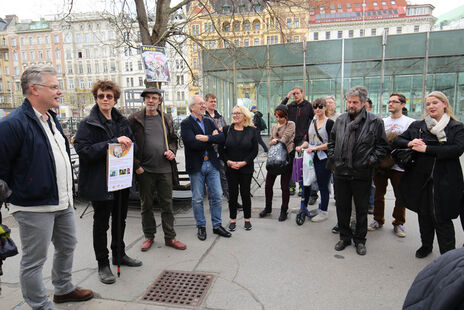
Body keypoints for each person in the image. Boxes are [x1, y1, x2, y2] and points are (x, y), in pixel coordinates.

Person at [0, 66, 93, 308]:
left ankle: (63, 289)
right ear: (34, 89)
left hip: (62, 201)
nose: (59, 91)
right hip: (33, 206)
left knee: (68, 245)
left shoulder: (52, 118)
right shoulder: (12, 124)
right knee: (34, 260)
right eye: (53, 87)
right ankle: (40, 304)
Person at [74, 80, 142, 285]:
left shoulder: (122, 121)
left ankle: (119, 255)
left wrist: (131, 145)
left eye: (109, 96)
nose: (105, 99)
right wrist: (111, 144)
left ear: (115, 99)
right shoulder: (87, 124)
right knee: (101, 223)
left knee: (120, 220)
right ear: (96, 98)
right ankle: (102, 263)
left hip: (120, 178)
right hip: (100, 182)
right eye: (101, 96)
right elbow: (83, 151)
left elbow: (134, 147)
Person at [393, 91, 464, 258]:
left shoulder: (456, 126)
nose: (431, 106)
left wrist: (427, 149)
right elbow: (398, 140)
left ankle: (448, 256)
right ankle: (426, 246)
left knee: (442, 216)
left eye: (435, 103)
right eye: (428, 104)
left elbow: (457, 149)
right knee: (423, 214)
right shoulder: (419, 126)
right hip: (421, 178)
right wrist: (410, 142)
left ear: (444, 104)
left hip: (445, 179)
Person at [328, 86, 388, 256]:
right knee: (342, 207)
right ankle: (344, 237)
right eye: (349, 101)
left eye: (355, 102)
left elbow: (382, 147)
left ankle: (360, 240)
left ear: (363, 103)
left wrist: (370, 161)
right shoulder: (340, 120)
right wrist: (334, 157)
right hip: (340, 172)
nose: (351, 105)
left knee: (361, 209)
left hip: (362, 173)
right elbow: (332, 142)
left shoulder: (375, 122)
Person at [128, 87, 186, 252]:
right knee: (146, 205)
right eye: (148, 98)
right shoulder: (135, 118)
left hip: (165, 169)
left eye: (154, 98)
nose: (151, 101)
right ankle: (149, 236)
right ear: (144, 100)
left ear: (159, 101)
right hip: (145, 170)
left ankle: (170, 237)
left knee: (167, 205)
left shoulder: (166, 118)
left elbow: (174, 140)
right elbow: (127, 145)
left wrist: (172, 151)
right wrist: (136, 166)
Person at [181, 95, 231, 240]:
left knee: (217, 196)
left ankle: (217, 225)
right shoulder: (186, 124)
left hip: (212, 164)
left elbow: (222, 138)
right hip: (197, 166)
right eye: (200, 104)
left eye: (204, 103)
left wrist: (206, 138)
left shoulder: (209, 121)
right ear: (192, 107)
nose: (203, 106)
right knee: (197, 199)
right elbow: (191, 143)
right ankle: (201, 226)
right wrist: (212, 139)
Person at [369, 93, 415, 238]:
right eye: (389, 102)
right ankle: (377, 220)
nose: (390, 104)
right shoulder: (382, 121)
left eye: (394, 102)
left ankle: (399, 223)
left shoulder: (410, 122)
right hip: (382, 164)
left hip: (399, 165)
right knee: (378, 194)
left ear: (403, 104)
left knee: (400, 195)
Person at [296, 98, 334, 222]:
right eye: (315, 106)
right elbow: (308, 140)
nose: (317, 109)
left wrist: (316, 148)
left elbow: (332, 143)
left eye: (320, 106)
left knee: (323, 185)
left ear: (325, 108)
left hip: (323, 158)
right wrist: (302, 146)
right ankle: (308, 207)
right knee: (308, 183)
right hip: (311, 157)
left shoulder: (329, 123)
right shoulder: (312, 122)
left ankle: (324, 211)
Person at [220, 106, 258, 231]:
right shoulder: (226, 130)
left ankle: (247, 219)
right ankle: (233, 220)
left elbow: (254, 151)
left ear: (244, 115)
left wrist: (244, 162)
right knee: (233, 194)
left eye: (238, 113)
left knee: (245, 194)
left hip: (246, 168)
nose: (235, 115)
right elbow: (221, 150)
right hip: (231, 168)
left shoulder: (251, 131)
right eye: (234, 113)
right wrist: (228, 162)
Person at [259, 104, 296, 221]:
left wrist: (276, 141)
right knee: (268, 184)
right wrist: (273, 141)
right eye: (276, 116)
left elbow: (285, 138)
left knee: (284, 186)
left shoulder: (291, 124)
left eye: (280, 116)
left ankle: (284, 210)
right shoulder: (274, 126)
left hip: (286, 157)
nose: (278, 119)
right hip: (274, 158)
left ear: (286, 116)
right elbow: (270, 141)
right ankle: (268, 207)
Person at [281, 86, 315, 199]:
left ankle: (302, 186)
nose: (296, 95)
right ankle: (291, 186)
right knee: (289, 162)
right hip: (290, 139)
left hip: (302, 138)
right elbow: (280, 109)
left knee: (301, 163)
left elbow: (313, 120)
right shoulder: (290, 106)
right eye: (294, 94)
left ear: (302, 93)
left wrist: (308, 134)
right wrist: (287, 97)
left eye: (297, 93)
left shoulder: (308, 106)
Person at [203, 93, 232, 204]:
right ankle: (212, 202)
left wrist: (219, 132)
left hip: (220, 151)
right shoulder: (204, 117)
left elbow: (225, 133)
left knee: (224, 175)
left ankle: (231, 200)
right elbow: (204, 134)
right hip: (209, 152)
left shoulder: (220, 116)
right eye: (211, 101)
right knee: (210, 178)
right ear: (206, 103)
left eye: (215, 101)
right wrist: (214, 135)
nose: (214, 103)